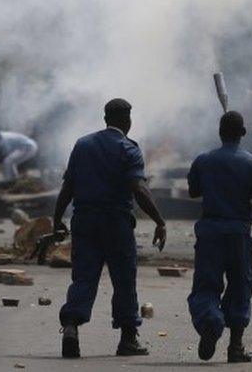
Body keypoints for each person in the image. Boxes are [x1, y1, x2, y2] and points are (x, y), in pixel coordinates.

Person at [52, 98, 168, 359]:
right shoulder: (129, 148)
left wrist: (56, 218)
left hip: (84, 221)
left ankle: (71, 325)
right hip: (116, 223)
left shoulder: (82, 145)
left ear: (105, 119)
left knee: (83, 277)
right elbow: (138, 189)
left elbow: (68, 187)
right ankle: (128, 339)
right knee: (124, 279)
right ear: (127, 120)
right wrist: (159, 221)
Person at [186, 111, 252, 363]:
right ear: (242, 133)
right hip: (238, 234)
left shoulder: (203, 160)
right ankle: (235, 347)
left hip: (210, 232)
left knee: (206, 284)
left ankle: (210, 322)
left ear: (220, 132)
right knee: (240, 287)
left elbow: (194, 191)